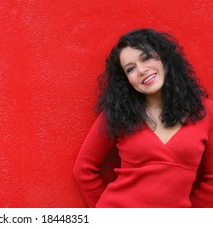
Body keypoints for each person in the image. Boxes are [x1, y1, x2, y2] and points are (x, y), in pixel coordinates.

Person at [73, 28, 213, 207]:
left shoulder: (205, 112)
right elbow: (83, 170)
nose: (141, 70)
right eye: (130, 69)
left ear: (164, 58)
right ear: (126, 80)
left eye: (146, 58)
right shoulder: (118, 113)